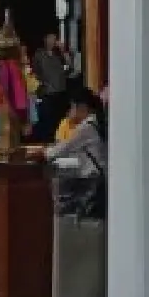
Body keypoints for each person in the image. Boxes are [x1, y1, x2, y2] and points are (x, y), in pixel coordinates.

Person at [49, 83, 106, 219]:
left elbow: (63, 148)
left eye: (73, 106)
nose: (70, 111)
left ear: (82, 107)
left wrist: (43, 152)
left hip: (91, 180)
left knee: (59, 197)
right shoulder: (96, 122)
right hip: (98, 178)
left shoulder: (86, 128)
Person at [30, 30, 72, 141]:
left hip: (60, 92)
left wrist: (63, 51)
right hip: (47, 93)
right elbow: (35, 73)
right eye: (51, 38)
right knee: (47, 120)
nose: (54, 40)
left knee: (59, 120)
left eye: (55, 38)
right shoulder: (39, 55)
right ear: (45, 39)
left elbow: (69, 67)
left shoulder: (58, 55)